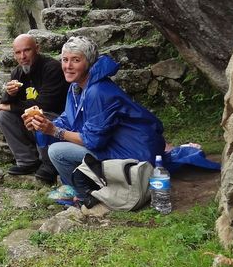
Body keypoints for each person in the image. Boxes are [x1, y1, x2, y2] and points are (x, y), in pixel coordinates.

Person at [25, 36, 166, 202]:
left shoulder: (98, 91)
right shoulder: (76, 87)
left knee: (57, 151)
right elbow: (67, 121)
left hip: (133, 153)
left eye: (75, 60)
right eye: (65, 60)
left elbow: (93, 141)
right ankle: (91, 185)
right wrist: (41, 125)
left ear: (89, 63)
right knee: (57, 141)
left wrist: (54, 131)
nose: (68, 66)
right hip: (116, 146)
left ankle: (84, 193)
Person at [0, 33, 69, 182]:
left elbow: (45, 104)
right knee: (2, 117)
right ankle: (27, 161)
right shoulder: (18, 72)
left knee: (38, 115)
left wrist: (10, 106)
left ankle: (49, 163)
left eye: (27, 50)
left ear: (37, 49)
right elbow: (5, 104)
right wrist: (9, 94)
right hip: (31, 123)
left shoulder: (51, 68)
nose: (23, 56)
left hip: (57, 121)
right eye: (18, 52)